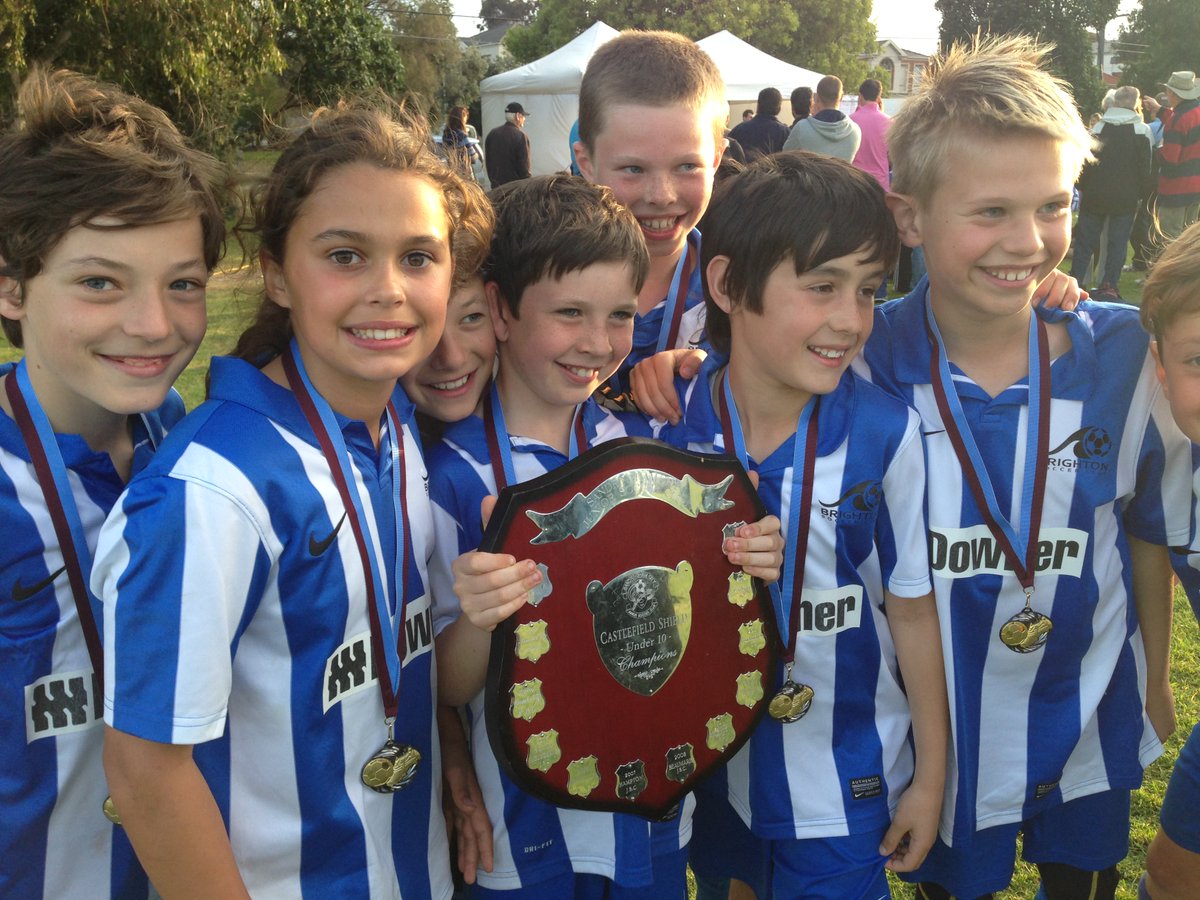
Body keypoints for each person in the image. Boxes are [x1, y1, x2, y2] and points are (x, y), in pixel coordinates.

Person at [94, 102, 494, 897]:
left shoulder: (399, 432)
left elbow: (422, 673)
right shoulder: (214, 487)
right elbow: (145, 774)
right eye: (345, 255)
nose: (388, 290)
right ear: (277, 273)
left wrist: (482, 610)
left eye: (419, 258)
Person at [856, 36, 1191, 899]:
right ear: (909, 217)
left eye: (1054, 205)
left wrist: (1155, 675)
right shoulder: (858, 360)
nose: (1029, 240)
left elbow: (1144, 528)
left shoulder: (1119, 349)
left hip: (1088, 710)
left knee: (1080, 884)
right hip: (949, 733)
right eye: (991, 212)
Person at [428, 173, 784, 897]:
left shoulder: (647, 442)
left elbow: (700, 612)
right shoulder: (448, 473)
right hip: (522, 824)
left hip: (652, 801)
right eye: (568, 312)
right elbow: (444, 683)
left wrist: (750, 556)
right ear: (499, 309)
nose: (597, 343)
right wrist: (478, 612)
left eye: (620, 315)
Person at [654, 150, 949, 899]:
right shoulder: (665, 431)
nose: (851, 321)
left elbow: (912, 614)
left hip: (844, 780)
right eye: (822, 287)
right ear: (726, 285)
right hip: (710, 777)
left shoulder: (887, 433)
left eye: (868, 291)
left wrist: (931, 778)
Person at [0, 67, 225, 900]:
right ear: (12, 286)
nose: (153, 325)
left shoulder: (190, 444)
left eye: (183, 284)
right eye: (100, 282)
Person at [573, 30, 728, 385]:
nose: (661, 195)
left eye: (687, 166)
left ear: (716, 159)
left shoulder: (739, 292)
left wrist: (711, 376)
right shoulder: (536, 281)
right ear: (586, 162)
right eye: (633, 169)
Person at [1139, 220, 1200, 900]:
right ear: (1159, 364)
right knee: (1171, 876)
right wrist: (1157, 679)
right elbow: (1151, 549)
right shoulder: (1171, 461)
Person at [1071, 84, 1154, 300]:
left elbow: (1085, 164)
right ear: (1136, 103)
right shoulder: (1142, 131)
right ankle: (1109, 285)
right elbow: (1146, 169)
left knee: (1085, 242)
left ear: (1115, 102)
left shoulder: (1098, 128)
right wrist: (1142, 196)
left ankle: (1077, 280)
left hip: (1095, 195)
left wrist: (1082, 188)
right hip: (1125, 197)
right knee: (1117, 243)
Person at [1158, 72, 1200, 240]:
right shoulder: (1195, 112)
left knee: (1170, 239)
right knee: (1190, 240)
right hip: (1196, 187)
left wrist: (1156, 152)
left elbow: (1170, 161)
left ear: (1172, 94)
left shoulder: (1177, 120)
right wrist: (1160, 111)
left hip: (1176, 189)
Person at [784, 75, 862, 161]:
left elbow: (785, 156)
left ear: (816, 97)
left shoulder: (801, 128)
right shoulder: (855, 131)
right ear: (841, 97)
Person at [727, 87, 790, 161]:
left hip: (743, 171)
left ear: (758, 105)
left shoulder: (738, 130)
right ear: (779, 108)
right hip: (773, 172)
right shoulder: (785, 133)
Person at [850, 78, 891, 191]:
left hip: (856, 182)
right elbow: (891, 157)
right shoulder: (889, 122)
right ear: (879, 98)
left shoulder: (850, 121)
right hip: (880, 185)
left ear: (860, 96)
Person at [485, 101, 532, 188]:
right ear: (518, 116)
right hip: (514, 191)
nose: (524, 119)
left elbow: (488, 162)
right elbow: (524, 169)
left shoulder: (492, 134)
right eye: (523, 116)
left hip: (496, 189)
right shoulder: (521, 136)